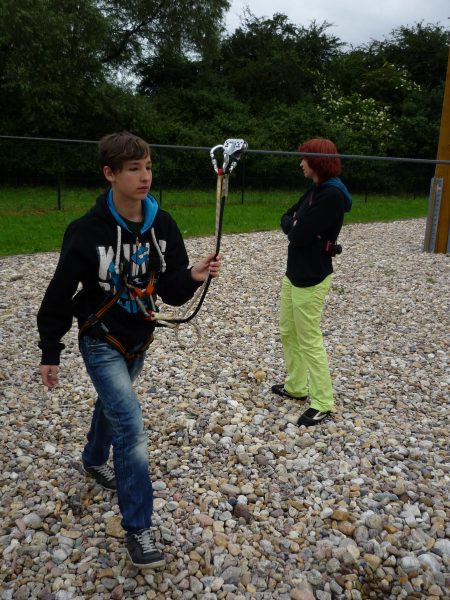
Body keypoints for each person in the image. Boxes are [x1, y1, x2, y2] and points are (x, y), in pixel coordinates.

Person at [37, 131, 221, 569]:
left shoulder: (163, 225)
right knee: (131, 425)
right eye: (134, 169)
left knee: (113, 406)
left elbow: (171, 291)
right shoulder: (86, 231)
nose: (145, 177)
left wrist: (193, 275)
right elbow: (59, 293)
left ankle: (92, 458)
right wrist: (50, 350)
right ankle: (138, 528)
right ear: (110, 173)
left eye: (148, 167)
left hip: (140, 337)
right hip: (100, 337)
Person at [271, 138, 352, 426]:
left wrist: (295, 224)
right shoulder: (315, 190)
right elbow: (286, 218)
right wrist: (294, 222)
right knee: (288, 331)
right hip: (293, 273)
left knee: (309, 339)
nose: (300, 163)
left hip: (313, 276)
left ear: (317, 161)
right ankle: (296, 386)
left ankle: (322, 402)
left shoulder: (332, 195)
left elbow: (298, 235)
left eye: (304, 158)